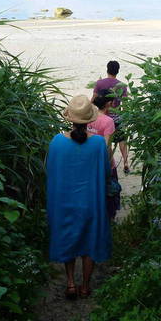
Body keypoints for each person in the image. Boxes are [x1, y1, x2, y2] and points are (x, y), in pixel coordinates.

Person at [47, 95, 112, 299]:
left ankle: (70, 284)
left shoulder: (57, 142)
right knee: (89, 242)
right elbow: (106, 173)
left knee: (69, 239)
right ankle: (85, 286)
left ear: (69, 118)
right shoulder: (99, 144)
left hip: (65, 202)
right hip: (91, 202)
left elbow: (50, 171)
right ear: (90, 119)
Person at [87, 92, 120, 220]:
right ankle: (109, 218)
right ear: (108, 104)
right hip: (104, 162)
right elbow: (106, 146)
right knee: (110, 192)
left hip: (89, 160)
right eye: (112, 102)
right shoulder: (108, 121)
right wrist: (109, 165)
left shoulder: (89, 116)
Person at [92, 60, 130, 173]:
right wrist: (125, 118)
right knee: (122, 140)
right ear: (118, 71)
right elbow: (126, 104)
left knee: (106, 141)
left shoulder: (99, 83)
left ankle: (107, 162)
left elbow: (93, 100)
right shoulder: (122, 85)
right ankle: (126, 162)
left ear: (107, 69)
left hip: (103, 117)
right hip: (117, 118)